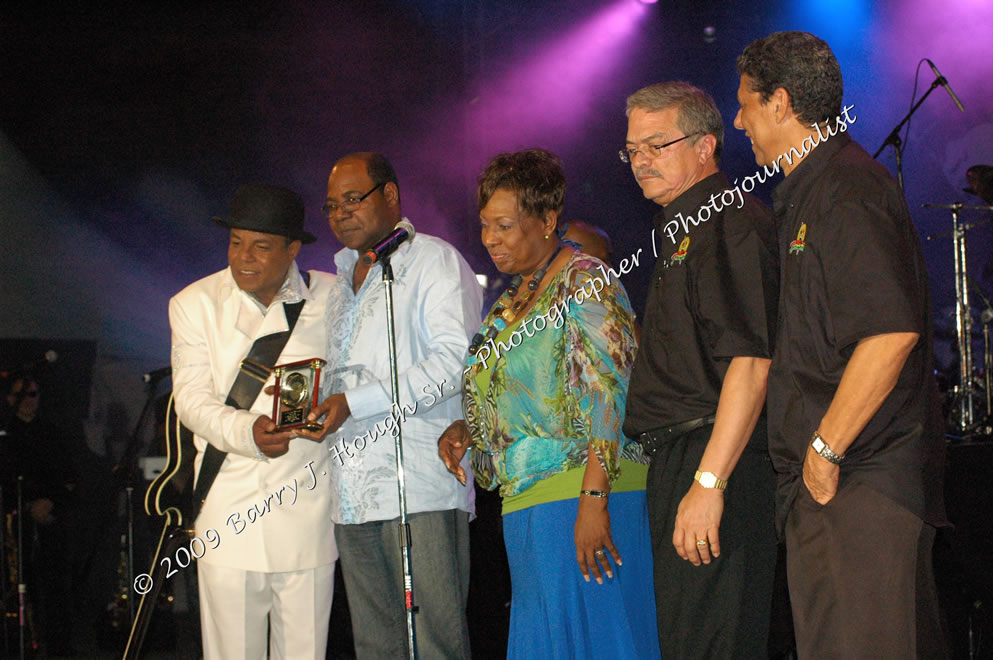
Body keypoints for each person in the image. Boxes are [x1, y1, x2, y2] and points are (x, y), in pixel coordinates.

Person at [734, 31, 947, 658]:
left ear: (780, 103)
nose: (739, 120)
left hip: (861, 481)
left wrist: (824, 449)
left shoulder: (848, 190)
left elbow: (890, 333)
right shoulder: (814, 190)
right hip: (840, 486)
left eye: (745, 103)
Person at [438, 148, 659, 660]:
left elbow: (611, 393)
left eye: (505, 225)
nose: (490, 238)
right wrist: (470, 428)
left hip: (584, 493)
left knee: (594, 642)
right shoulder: (515, 299)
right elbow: (516, 386)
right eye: (486, 225)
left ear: (547, 220)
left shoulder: (585, 281)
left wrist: (594, 501)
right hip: (529, 501)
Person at [621, 82, 780, 657]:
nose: (642, 161)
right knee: (688, 641)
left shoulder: (728, 220)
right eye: (633, 150)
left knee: (715, 642)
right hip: (679, 459)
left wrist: (709, 483)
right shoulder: (679, 229)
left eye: (658, 145)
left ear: (707, 145)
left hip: (718, 456)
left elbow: (752, 361)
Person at [304, 152, 479, 659]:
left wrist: (353, 403)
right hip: (352, 495)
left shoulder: (433, 260)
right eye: (332, 205)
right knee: (375, 647)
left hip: (419, 487)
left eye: (353, 199)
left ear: (391, 196)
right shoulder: (339, 283)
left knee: (435, 646)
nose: (340, 213)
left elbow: (455, 364)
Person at [169, 183, 337, 659]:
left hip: (307, 507)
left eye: (261, 247)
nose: (244, 257)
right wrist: (248, 433)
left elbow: (355, 377)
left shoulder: (332, 296)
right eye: (236, 242)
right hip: (230, 511)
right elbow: (192, 401)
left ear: (292, 250)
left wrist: (339, 407)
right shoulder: (193, 303)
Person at [1, 375, 76, 656]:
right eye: (23, 395)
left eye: (33, 393)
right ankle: (22, 644)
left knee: (56, 586)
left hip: (51, 521)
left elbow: (69, 477)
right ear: (10, 400)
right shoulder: (6, 435)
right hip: (17, 522)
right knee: (21, 585)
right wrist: (28, 504)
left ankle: (59, 647)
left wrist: (49, 502)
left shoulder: (52, 432)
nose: (30, 400)